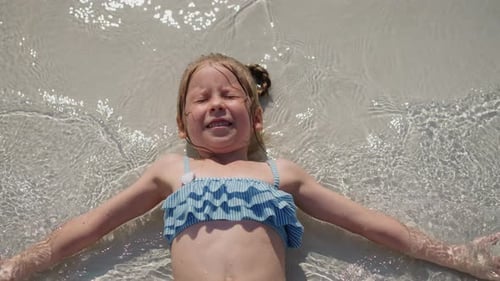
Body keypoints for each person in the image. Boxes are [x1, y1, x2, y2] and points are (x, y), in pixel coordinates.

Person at [0, 53, 499, 281]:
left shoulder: (281, 173)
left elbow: (365, 222)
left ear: (255, 115)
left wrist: (453, 254)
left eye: (229, 95)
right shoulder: (173, 171)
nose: (216, 104)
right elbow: (93, 226)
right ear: (182, 123)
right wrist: (19, 265)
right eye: (202, 99)